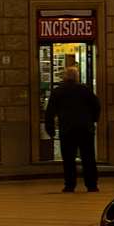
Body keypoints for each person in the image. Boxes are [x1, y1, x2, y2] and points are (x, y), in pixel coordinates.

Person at [44, 66, 102, 194]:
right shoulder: (85, 90)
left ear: (64, 77)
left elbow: (50, 112)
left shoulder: (58, 91)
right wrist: (92, 120)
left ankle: (70, 185)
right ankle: (91, 185)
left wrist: (50, 128)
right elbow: (97, 106)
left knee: (68, 159)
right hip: (85, 128)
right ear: (77, 77)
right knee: (88, 158)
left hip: (67, 128)